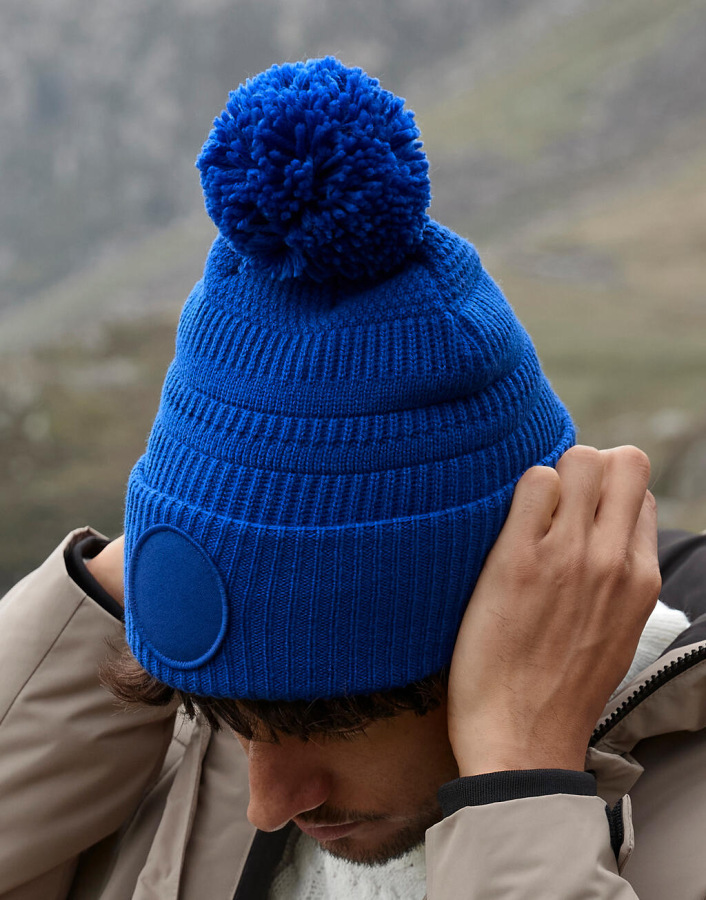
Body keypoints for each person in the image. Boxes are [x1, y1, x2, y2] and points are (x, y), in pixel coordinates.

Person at [1, 55, 705, 900]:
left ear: (510, 600)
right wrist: (147, 573)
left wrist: (519, 784)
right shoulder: (207, 723)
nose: (268, 802)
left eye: (330, 719)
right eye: (223, 717)